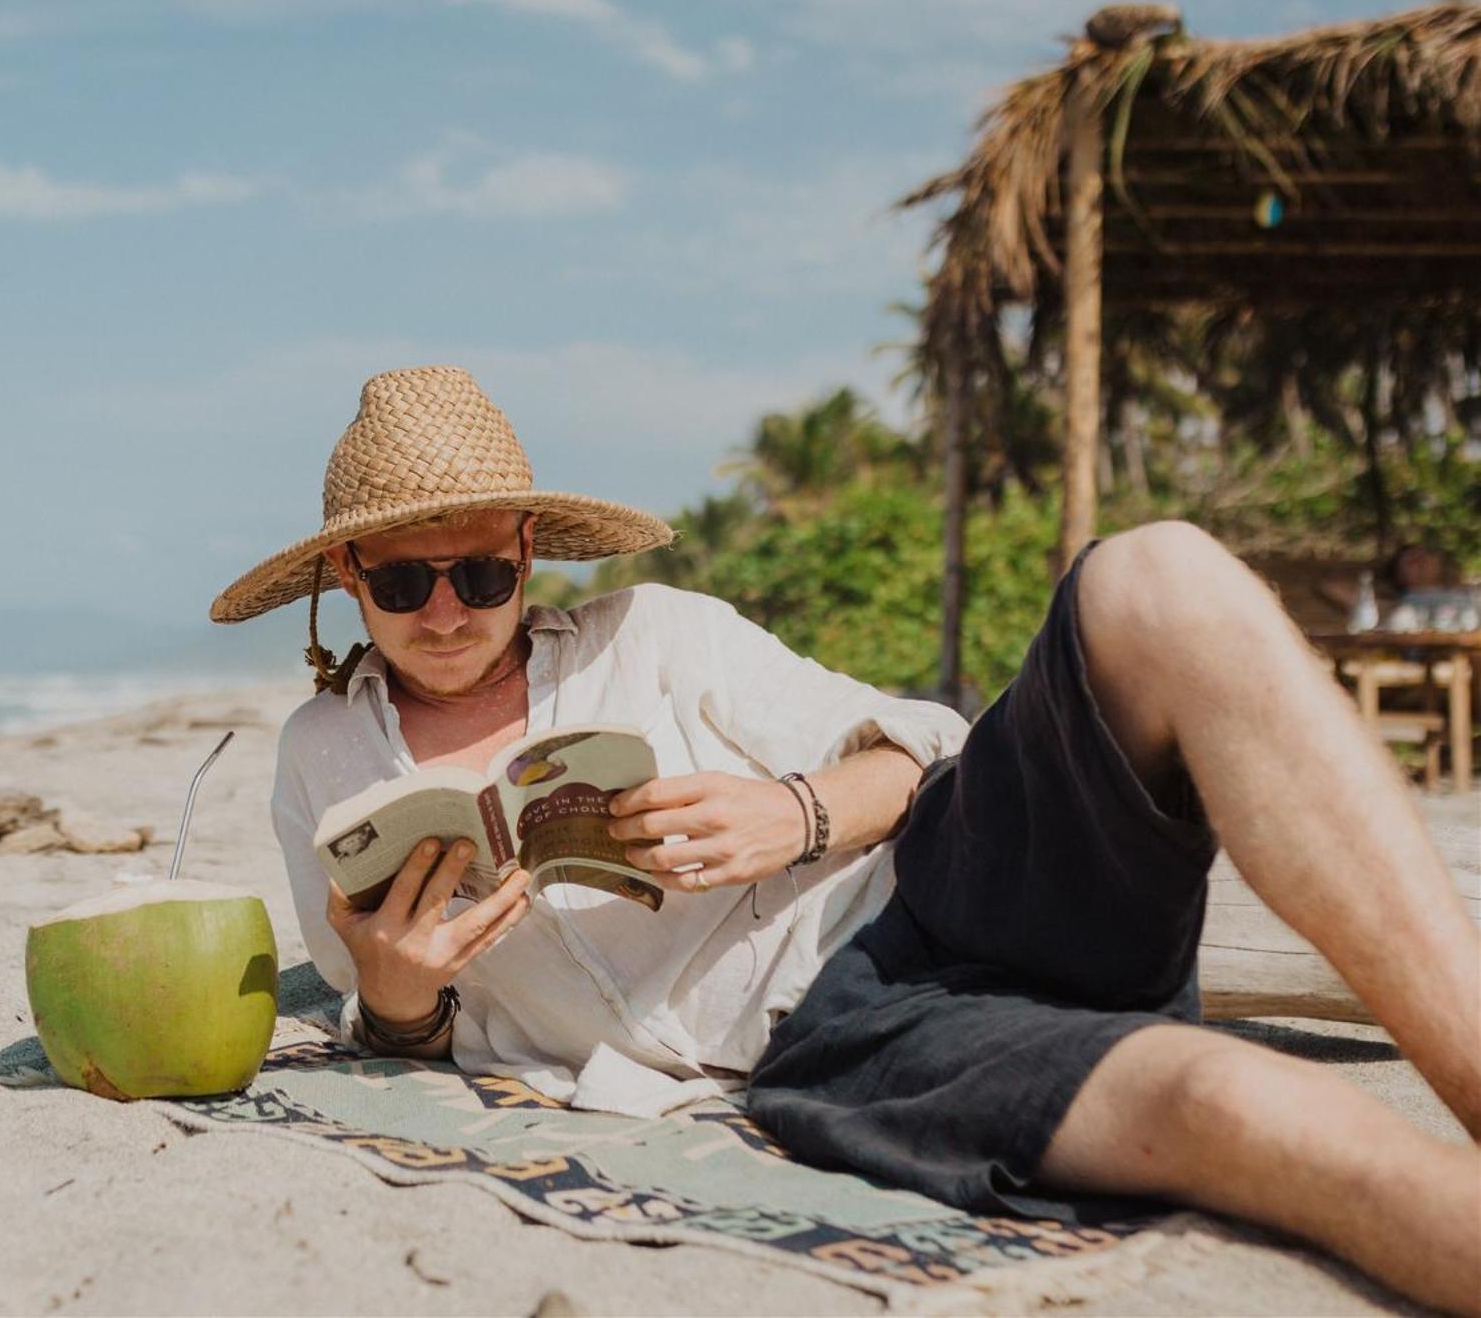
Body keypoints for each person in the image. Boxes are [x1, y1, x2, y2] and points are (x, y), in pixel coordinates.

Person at [211, 366, 1479, 1314]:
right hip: (849, 1035)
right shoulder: (320, 759)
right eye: (402, 583)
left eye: (478, 577)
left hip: (935, 877)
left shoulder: (655, 636)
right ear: (346, 576)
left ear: (529, 552)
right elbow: (387, 1028)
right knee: (1220, 1100)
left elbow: (925, 745)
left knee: (1157, 577)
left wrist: (794, 811)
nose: (445, 613)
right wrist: (394, 998)